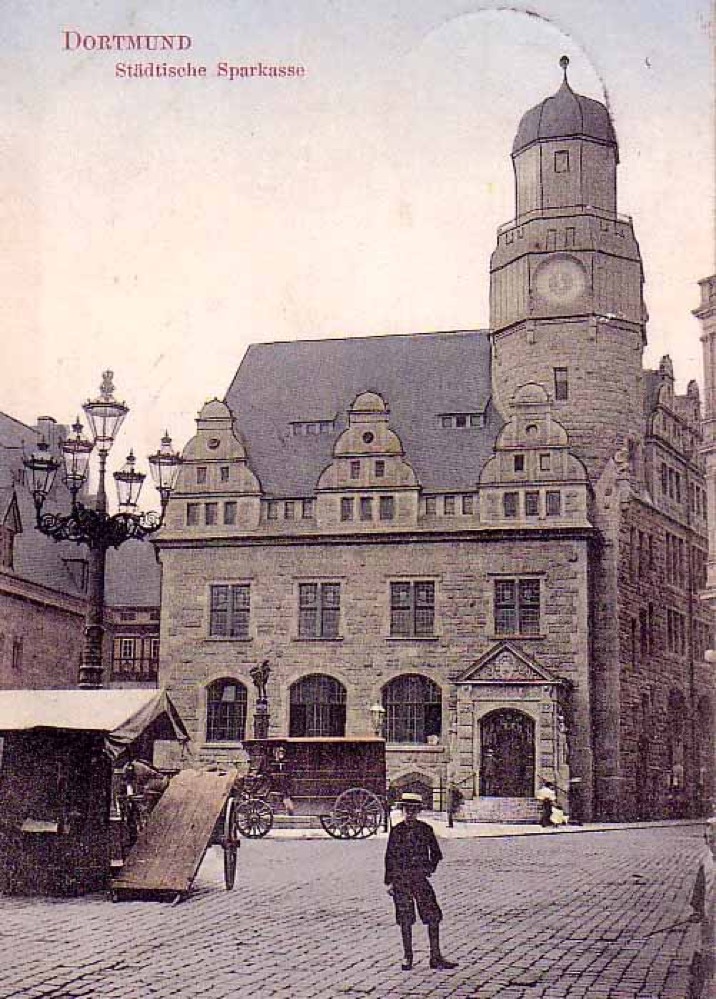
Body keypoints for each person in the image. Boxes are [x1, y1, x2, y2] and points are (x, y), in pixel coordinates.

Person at [384, 792, 458, 972]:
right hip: (401, 880)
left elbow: (436, 854)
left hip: (419, 879)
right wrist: (390, 882)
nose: (409, 813)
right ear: (402, 811)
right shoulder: (397, 831)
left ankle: (435, 956)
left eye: (413, 810)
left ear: (418, 811)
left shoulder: (425, 830)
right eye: (406, 810)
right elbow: (389, 857)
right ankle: (407, 956)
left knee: (433, 915)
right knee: (405, 918)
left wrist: (428, 869)